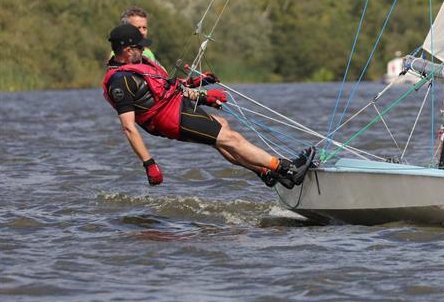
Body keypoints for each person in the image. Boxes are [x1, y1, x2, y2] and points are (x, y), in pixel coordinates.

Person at [102, 23, 314, 189]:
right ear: (128, 50)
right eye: (140, 47)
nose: (144, 50)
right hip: (170, 119)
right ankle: (287, 168)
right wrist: (149, 163)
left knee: (223, 129)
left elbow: (164, 88)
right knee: (231, 139)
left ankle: (265, 173)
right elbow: (129, 127)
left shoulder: (139, 64)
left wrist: (199, 88)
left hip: (176, 106)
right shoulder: (120, 82)